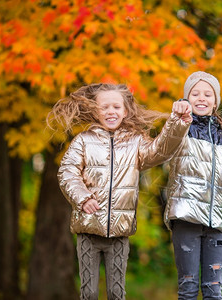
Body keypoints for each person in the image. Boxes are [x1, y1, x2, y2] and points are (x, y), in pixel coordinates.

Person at [48, 83, 192, 300]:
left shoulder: (136, 142)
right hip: (88, 228)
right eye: (104, 107)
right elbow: (67, 172)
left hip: (120, 232)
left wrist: (177, 124)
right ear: (95, 111)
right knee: (88, 293)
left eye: (116, 107)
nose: (110, 112)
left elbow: (159, 151)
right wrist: (83, 198)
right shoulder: (83, 141)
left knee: (117, 292)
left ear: (125, 111)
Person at [163, 71, 222, 299]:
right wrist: (176, 118)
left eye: (208, 94)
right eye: (195, 93)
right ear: (186, 98)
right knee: (188, 288)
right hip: (187, 216)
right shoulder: (181, 129)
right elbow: (164, 146)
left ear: (215, 101)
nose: (201, 98)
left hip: (217, 220)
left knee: (214, 290)